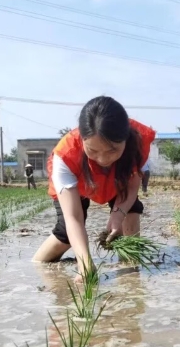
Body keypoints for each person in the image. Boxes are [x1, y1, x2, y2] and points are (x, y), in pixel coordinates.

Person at [32, 96, 156, 282]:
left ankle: (131, 269)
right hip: (78, 184)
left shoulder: (137, 142)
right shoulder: (66, 155)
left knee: (131, 210)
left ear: (125, 139)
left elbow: (131, 187)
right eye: (93, 150)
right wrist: (84, 263)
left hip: (117, 180)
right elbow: (74, 217)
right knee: (66, 233)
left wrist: (117, 215)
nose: (103, 159)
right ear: (82, 140)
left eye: (112, 150)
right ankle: (36, 265)